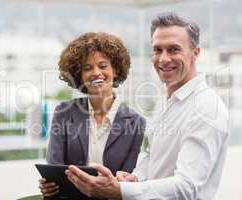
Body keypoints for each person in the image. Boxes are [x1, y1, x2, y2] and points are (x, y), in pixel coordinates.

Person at [65, 12, 229, 200]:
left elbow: (187, 186)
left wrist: (119, 191)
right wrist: (135, 177)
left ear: (195, 53)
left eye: (174, 50)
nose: (164, 59)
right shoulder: (166, 99)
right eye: (157, 50)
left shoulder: (206, 108)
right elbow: (154, 156)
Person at [38, 32, 146, 198]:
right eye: (87, 68)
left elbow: (126, 180)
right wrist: (49, 186)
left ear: (115, 70)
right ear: (79, 76)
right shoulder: (64, 113)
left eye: (103, 66)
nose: (96, 72)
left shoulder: (136, 122)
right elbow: (54, 168)